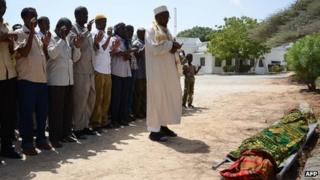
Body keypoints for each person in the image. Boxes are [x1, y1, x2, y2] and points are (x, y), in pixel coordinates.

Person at [15, 7, 52, 155]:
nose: (35, 19)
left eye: (36, 16)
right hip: (27, 81)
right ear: (24, 18)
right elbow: (23, 52)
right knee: (27, 113)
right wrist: (30, 32)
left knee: (42, 113)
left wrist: (45, 45)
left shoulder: (36, 36)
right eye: (32, 16)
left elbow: (45, 58)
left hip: (41, 80)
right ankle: (27, 143)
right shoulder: (19, 33)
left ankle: (41, 140)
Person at [145, 5, 183, 142]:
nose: (168, 19)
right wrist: (170, 45)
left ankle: (163, 126)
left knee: (167, 98)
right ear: (157, 17)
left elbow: (168, 48)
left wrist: (173, 48)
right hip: (156, 73)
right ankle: (154, 131)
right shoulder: (151, 31)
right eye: (165, 16)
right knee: (156, 99)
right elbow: (154, 49)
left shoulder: (167, 32)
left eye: (168, 16)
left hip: (167, 73)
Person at [47, 17, 81, 148]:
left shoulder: (67, 41)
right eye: (66, 29)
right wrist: (61, 39)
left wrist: (77, 48)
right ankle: (54, 138)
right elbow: (52, 54)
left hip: (68, 81)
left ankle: (65, 134)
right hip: (56, 82)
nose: (67, 32)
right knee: (56, 112)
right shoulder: (51, 38)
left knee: (67, 110)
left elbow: (74, 59)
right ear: (59, 26)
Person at [70, 6, 97, 139]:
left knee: (90, 98)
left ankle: (85, 125)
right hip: (80, 70)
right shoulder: (73, 28)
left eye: (87, 14)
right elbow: (77, 42)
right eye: (84, 14)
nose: (86, 17)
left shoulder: (87, 30)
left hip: (90, 69)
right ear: (77, 15)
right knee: (80, 100)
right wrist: (88, 31)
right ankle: (78, 128)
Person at [0, 0, 22, 159]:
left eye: (4, 6)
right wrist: (7, 37)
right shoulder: (7, 31)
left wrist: (14, 47)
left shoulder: (7, 25)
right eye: (0, 5)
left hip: (10, 75)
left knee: (8, 114)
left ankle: (7, 148)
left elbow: (10, 46)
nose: (2, 8)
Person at [90, 14, 114, 132]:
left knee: (106, 98)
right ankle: (95, 122)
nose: (104, 24)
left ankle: (104, 120)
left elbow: (108, 51)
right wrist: (109, 37)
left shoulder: (105, 35)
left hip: (107, 70)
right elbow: (101, 49)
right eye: (102, 22)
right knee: (98, 98)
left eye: (105, 21)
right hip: (98, 69)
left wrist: (114, 48)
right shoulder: (95, 34)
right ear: (96, 23)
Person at [110, 22, 131, 128]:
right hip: (117, 72)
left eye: (125, 29)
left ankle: (122, 118)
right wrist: (129, 52)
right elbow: (118, 54)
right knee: (116, 97)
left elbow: (126, 56)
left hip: (126, 72)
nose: (125, 31)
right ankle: (114, 120)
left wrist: (128, 53)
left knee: (124, 97)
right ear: (117, 30)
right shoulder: (114, 39)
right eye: (123, 29)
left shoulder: (125, 41)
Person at [133, 28, 146, 119]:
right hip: (139, 74)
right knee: (138, 94)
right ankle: (137, 113)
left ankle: (144, 111)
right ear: (138, 34)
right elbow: (138, 55)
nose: (144, 35)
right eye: (142, 33)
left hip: (146, 73)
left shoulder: (146, 43)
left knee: (145, 94)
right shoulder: (136, 43)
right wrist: (145, 47)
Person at [126, 25, 138, 121]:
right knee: (127, 93)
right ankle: (127, 113)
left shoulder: (130, 41)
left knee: (131, 93)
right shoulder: (126, 42)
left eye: (132, 31)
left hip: (134, 69)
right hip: (128, 70)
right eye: (129, 31)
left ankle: (129, 112)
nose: (130, 33)